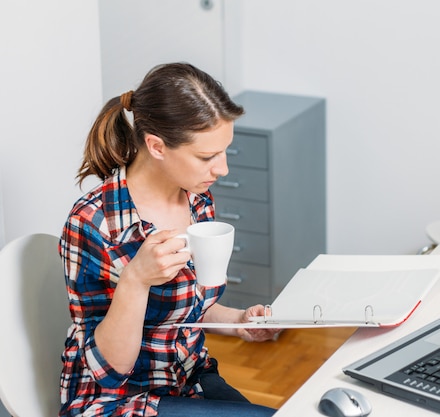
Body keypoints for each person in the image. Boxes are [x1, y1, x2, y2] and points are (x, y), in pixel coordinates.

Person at [59, 62, 279, 417]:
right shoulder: (93, 223)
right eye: (207, 156)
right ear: (157, 146)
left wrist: (239, 322)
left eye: (224, 151)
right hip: (118, 400)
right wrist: (136, 279)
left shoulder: (197, 200)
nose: (222, 169)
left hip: (187, 381)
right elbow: (109, 371)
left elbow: (187, 307)